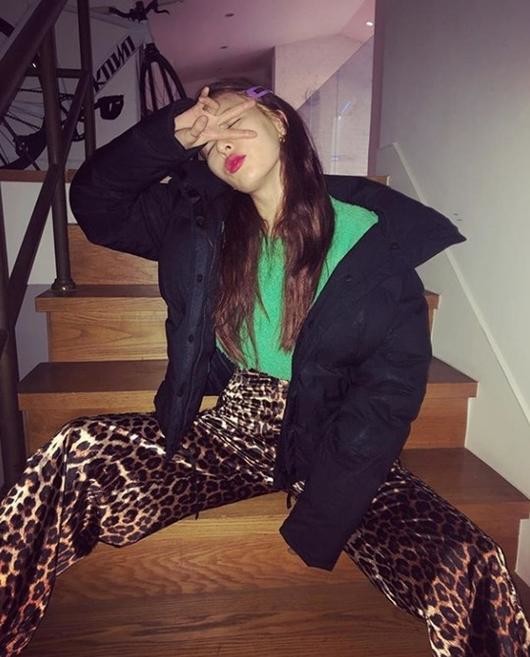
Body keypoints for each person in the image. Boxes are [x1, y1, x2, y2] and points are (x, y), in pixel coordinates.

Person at [0, 78, 528, 657]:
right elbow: (98, 206)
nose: (220, 144)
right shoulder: (200, 223)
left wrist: (326, 508)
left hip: (331, 439)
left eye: (232, 123)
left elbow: (389, 392)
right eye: (207, 144)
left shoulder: (373, 243)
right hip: (233, 430)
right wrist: (171, 134)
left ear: (278, 121)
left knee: (469, 560)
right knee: (77, 451)